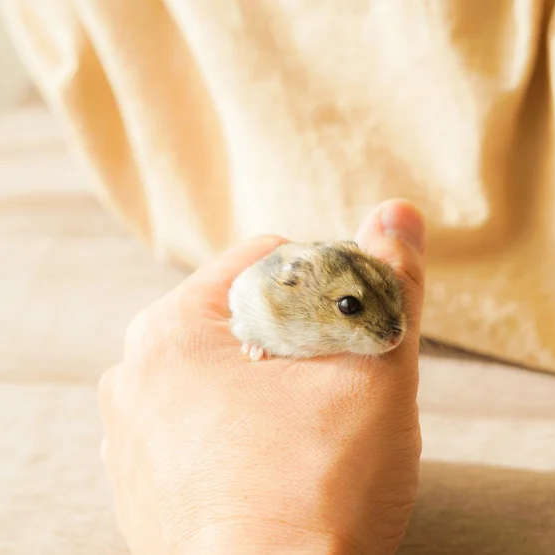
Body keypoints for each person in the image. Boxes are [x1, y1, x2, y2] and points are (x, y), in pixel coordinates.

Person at [98, 199, 426, 554]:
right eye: (349, 306)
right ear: (295, 285)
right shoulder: (268, 299)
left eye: (389, 290)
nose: (394, 333)